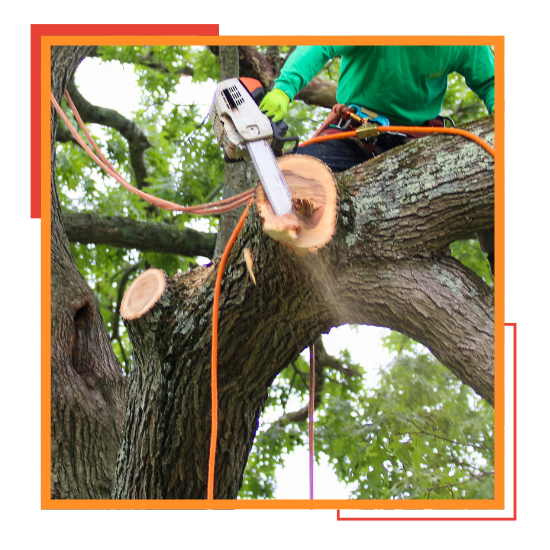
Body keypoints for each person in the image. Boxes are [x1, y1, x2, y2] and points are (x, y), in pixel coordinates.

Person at [259, 45, 495, 273]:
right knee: (299, 174)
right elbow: (319, 46)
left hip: (419, 146)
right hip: (356, 136)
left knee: (487, 174)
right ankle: (285, 219)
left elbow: (491, 81)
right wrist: (284, 89)